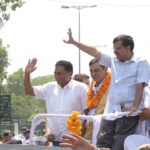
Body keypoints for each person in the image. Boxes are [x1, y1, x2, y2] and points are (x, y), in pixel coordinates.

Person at [63, 28, 150, 150]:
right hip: (111, 113)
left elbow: (140, 85)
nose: (115, 51)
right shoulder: (113, 60)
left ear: (128, 48)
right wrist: (74, 42)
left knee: (119, 145)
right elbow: (94, 52)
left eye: (118, 48)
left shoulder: (141, 62)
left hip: (128, 113)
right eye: (114, 48)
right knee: (102, 143)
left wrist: (135, 106)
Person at [24, 58, 88, 146]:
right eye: (55, 73)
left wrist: (83, 135)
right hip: (55, 140)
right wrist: (27, 74)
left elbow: (88, 114)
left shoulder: (81, 88)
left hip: (74, 140)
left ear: (70, 74)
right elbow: (29, 91)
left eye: (60, 74)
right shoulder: (49, 87)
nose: (57, 76)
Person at [82, 58, 111, 141]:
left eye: (96, 70)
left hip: (105, 131)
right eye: (91, 71)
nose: (93, 74)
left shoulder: (113, 86)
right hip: (89, 129)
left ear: (105, 69)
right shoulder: (91, 86)